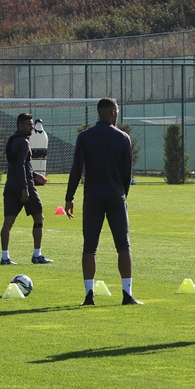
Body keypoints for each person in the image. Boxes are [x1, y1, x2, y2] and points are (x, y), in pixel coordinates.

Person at [65, 97, 139, 306]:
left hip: (93, 197)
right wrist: (122, 194)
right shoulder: (123, 137)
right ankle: (127, 294)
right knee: (123, 245)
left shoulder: (85, 137)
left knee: (89, 246)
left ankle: (89, 295)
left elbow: (77, 168)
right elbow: (127, 173)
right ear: (113, 113)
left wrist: (69, 197)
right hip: (116, 195)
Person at [0, 112, 52, 266]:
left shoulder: (11, 140)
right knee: (39, 218)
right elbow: (21, 165)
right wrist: (25, 188)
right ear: (20, 126)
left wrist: (36, 175)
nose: (32, 128)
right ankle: (37, 255)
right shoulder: (23, 142)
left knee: (8, 223)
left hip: (10, 185)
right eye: (29, 125)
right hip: (24, 185)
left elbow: (15, 164)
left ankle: (5, 257)